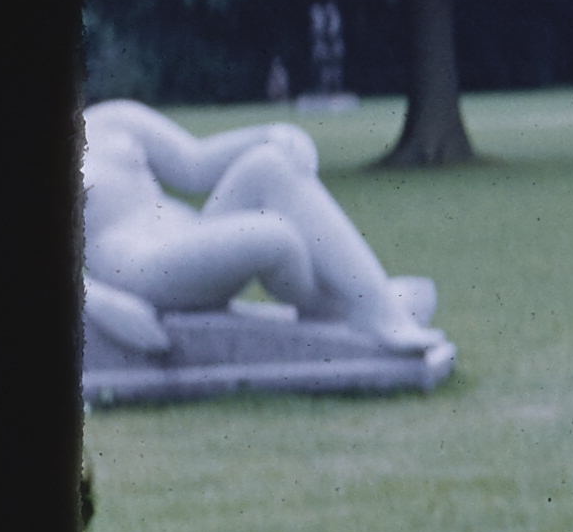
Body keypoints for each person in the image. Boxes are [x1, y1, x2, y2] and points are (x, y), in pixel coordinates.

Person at [82, 102, 441, 356]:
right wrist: (105, 305)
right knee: (275, 237)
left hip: (191, 237)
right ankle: (341, 305)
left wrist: (271, 134)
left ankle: (374, 306)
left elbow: (195, 164)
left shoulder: (114, 119)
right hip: (140, 269)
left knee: (270, 164)